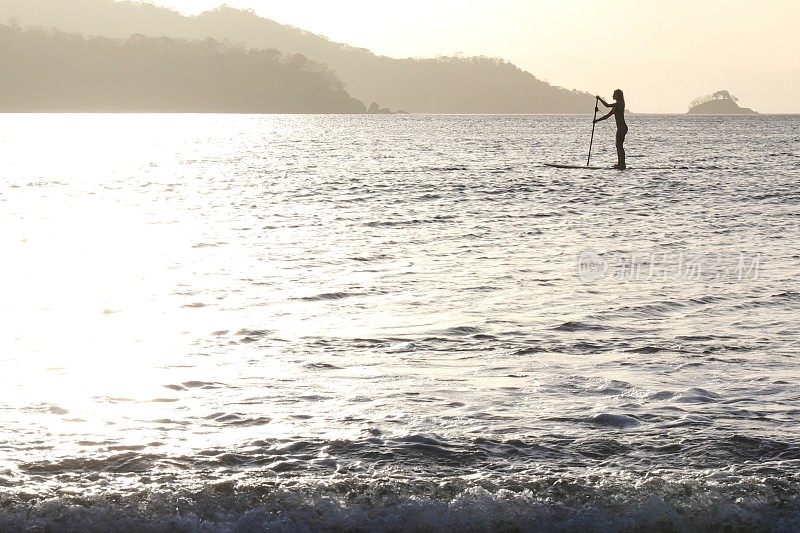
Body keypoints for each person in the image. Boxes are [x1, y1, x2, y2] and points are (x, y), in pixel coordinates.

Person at [594, 90, 628, 170]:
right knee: (618, 145)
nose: (612, 95)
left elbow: (607, 105)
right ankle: (620, 163)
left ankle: (622, 164)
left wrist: (599, 98)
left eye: (614, 94)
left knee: (619, 146)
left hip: (622, 128)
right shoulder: (615, 107)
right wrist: (596, 120)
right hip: (620, 128)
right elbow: (607, 116)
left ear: (618, 95)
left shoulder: (620, 103)